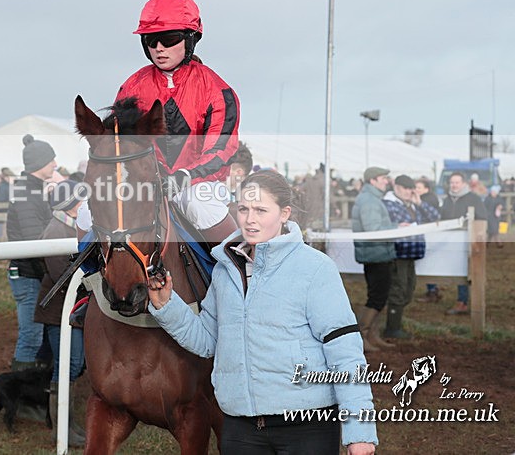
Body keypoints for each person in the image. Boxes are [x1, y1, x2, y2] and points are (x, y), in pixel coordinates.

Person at [147, 170, 377, 454]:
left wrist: (360, 430)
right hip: (240, 426)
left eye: (260, 210)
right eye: (243, 209)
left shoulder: (316, 268)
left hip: (307, 426)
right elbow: (207, 341)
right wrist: (166, 304)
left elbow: (345, 351)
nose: (250, 219)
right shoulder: (224, 270)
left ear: (284, 214)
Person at [112, 0, 241, 246]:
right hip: (147, 183)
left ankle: (243, 274)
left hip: (200, 184)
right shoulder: (132, 87)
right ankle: (86, 278)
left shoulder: (217, 90)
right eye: (151, 40)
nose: (159, 48)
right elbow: (118, 141)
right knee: (86, 212)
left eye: (169, 39)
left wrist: (185, 176)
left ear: (190, 39)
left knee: (199, 205)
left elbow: (221, 148)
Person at [34, 179, 87, 447]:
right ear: (70, 204)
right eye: (80, 199)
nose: (84, 203)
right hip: (58, 311)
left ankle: (67, 425)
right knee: (68, 366)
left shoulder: (68, 226)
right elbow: (61, 276)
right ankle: (61, 430)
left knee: (73, 366)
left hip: (69, 308)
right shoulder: (56, 231)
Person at [5, 135, 56, 370]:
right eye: (51, 160)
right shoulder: (28, 194)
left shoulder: (30, 191)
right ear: (40, 164)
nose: (55, 164)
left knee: (35, 334)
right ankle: (22, 395)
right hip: (28, 274)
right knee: (31, 336)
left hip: (31, 272)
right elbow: (36, 241)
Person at [381, 175, 440, 340]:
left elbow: (435, 216)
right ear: (397, 187)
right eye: (406, 188)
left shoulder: (412, 204)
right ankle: (392, 328)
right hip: (397, 252)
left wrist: (419, 203)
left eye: (410, 188)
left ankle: (394, 324)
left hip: (410, 253)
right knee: (398, 289)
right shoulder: (389, 204)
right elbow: (399, 224)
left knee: (408, 288)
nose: (409, 192)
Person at [351, 167, 396, 352]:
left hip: (377, 253)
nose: (387, 181)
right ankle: (361, 335)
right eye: (383, 178)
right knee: (377, 298)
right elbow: (374, 229)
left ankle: (372, 335)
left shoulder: (371, 199)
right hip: (376, 254)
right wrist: (399, 227)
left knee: (378, 296)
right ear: (373, 181)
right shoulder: (369, 201)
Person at [441, 172, 487, 315]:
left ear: (464, 183)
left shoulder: (473, 198)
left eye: (457, 182)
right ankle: (462, 301)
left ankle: (470, 302)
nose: (454, 185)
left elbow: (482, 217)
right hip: (452, 240)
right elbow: (443, 217)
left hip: (470, 240)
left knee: (472, 272)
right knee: (459, 271)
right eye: (452, 182)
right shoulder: (448, 199)